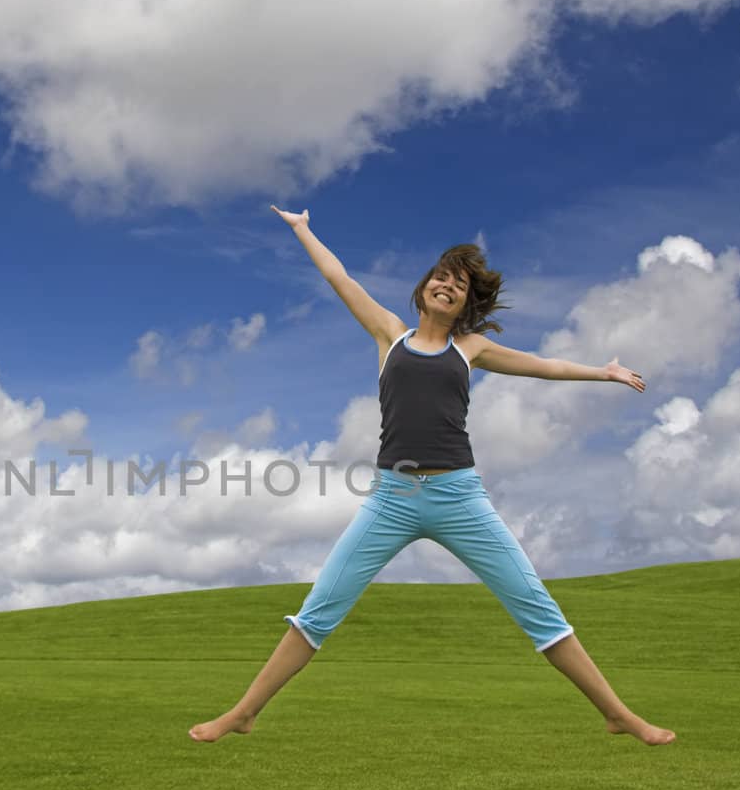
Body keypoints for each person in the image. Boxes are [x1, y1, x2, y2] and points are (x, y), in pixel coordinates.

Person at [189, 206, 676, 746]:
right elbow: (338, 277)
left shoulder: (471, 349)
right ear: (424, 288)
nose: (448, 286)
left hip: (459, 496)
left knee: (536, 606)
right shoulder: (389, 335)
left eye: (460, 285)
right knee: (318, 610)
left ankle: (616, 714)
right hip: (391, 499)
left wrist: (602, 372)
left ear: (466, 304)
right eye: (442, 277)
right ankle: (245, 712)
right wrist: (304, 230)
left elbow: (543, 365)